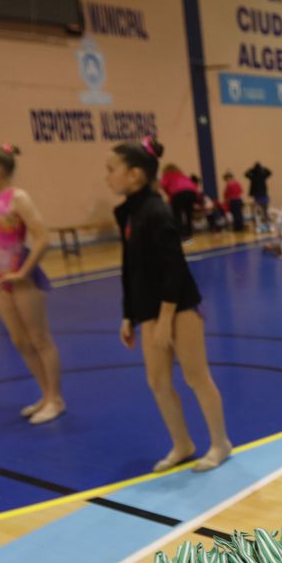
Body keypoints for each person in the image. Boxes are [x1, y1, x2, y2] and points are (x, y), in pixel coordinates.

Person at [107, 137, 232, 472]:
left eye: (112, 169)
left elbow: (175, 267)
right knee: (158, 381)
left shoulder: (157, 211)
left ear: (135, 175)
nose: (108, 176)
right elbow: (129, 267)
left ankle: (220, 443)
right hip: (148, 310)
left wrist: (165, 318)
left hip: (179, 306)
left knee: (195, 376)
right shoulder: (127, 213)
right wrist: (128, 314)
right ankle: (182, 444)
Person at [0, 144, 64, 423]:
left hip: (22, 279)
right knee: (20, 341)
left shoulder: (17, 197)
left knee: (39, 339)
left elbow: (43, 238)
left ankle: (56, 399)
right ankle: (45, 395)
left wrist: (23, 272)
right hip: (0, 280)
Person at [159, 164, 200, 241]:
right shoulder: (182, 175)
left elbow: (163, 185)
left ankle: (181, 235)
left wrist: (170, 197)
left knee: (177, 215)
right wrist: (195, 200)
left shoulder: (167, 175)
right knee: (189, 215)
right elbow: (193, 186)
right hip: (191, 193)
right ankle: (189, 234)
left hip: (178, 194)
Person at [245, 161, 272, 230]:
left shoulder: (254, 175)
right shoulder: (261, 175)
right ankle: (261, 224)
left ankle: (266, 224)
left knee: (263, 210)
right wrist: (263, 168)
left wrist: (252, 169)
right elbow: (269, 172)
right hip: (259, 196)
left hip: (261, 195)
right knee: (261, 211)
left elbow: (246, 174)